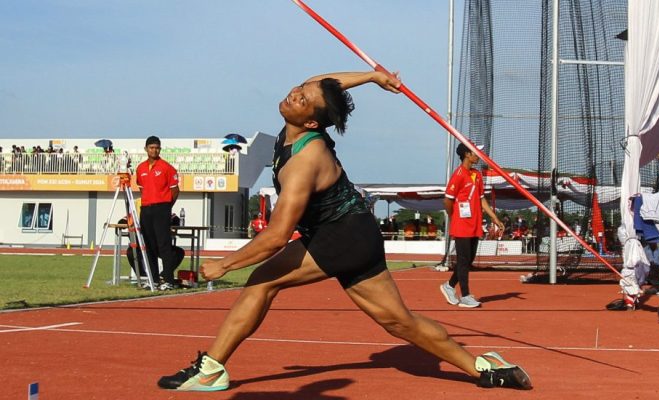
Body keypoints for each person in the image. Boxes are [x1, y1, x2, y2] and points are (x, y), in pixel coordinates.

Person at [157, 71, 531, 392]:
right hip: (355, 233)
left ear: (311, 123)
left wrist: (225, 265)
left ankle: (211, 371)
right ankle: (485, 368)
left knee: (261, 281)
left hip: (342, 236)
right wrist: (371, 76)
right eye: (299, 90)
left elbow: (275, 236)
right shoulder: (297, 125)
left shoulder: (305, 160)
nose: (295, 93)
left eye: (303, 99)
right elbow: (325, 82)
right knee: (399, 322)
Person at [440, 143, 504, 308]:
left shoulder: (476, 175)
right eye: (476, 152)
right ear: (467, 154)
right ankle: (466, 295)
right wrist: (453, 215)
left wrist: (494, 218)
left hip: (475, 223)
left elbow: (481, 199)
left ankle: (448, 286)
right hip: (462, 224)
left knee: (468, 260)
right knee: (463, 260)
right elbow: (447, 200)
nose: (479, 155)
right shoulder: (458, 175)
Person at [136, 135, 183, 291]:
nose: (154, 150)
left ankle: (168, 280)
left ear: (160, 149)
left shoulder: (166, 167)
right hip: (146, 209)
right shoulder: (141, 168)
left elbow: (175, 190)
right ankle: (153, 279)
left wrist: (167, 207)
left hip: (162, 208)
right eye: (151, 147)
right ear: (146, 149)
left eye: (157, 148)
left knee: (164, 245)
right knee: (148, 245)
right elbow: (142, 189)